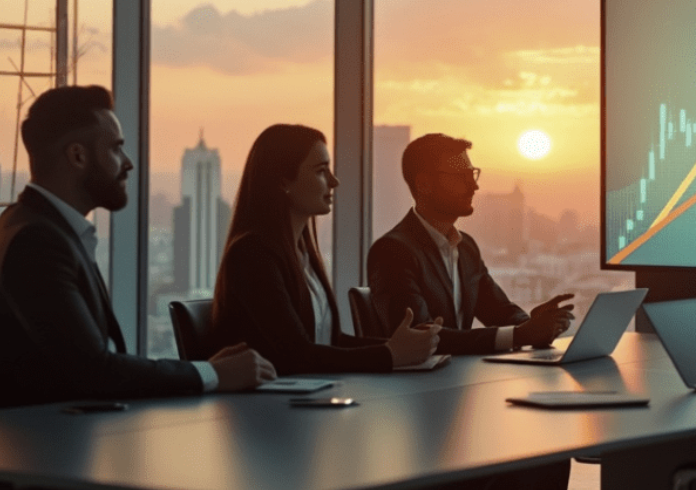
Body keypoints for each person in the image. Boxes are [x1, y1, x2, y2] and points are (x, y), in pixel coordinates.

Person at [0, 85, 276, 408]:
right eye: (116, 149)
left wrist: (210, 370)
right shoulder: (37, 242)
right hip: (48, 452)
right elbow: (93, 370)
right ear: (78, 156)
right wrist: (211, 373)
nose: (128, 163)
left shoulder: (35, 227)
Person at [211, 124, 441, 374]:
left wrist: (403, 348)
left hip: (306, 399)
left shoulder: (302, 252)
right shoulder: (252, 255)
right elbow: (297, 355)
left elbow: (330, 342)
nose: (334, 181)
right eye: (321, 171)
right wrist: (390, 354)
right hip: (269, 407)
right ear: (283, 181)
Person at [366, 133, 576, 355]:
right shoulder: (393, 251)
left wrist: (535, 324)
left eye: (472, 174)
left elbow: (498, 310)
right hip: (414, 386)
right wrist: (521, 334)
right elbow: (421, 336)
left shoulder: (466, 247)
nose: (473, 186)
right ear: (424, 184)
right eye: (460, 177)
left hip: (457, 380)